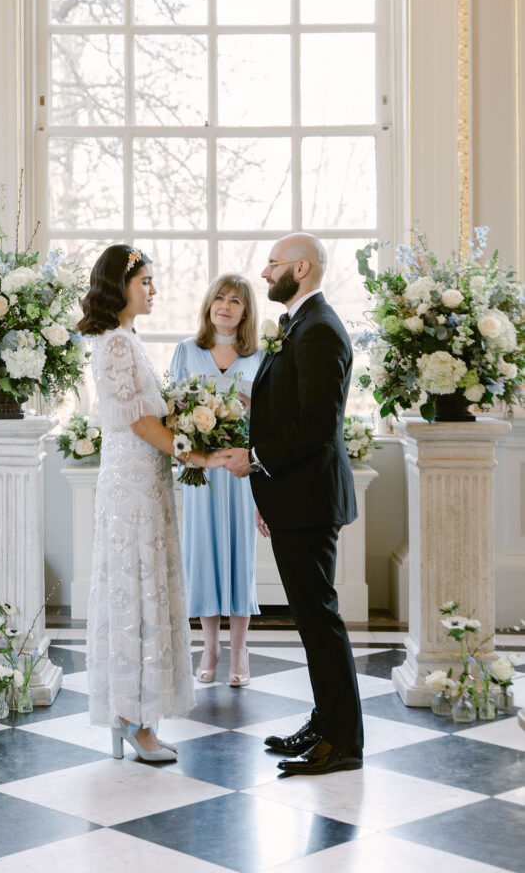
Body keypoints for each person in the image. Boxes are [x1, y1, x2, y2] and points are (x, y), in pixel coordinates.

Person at [222, 233, 363, 775]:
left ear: (301, 268)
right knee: (311, 620)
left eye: (273, 264)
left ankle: (343, 741)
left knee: (319, 620)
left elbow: (318, 426)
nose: (264, 273)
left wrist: (255, 459)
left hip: (309, 500)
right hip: (294, 497)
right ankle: (326, 722)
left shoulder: (320, 330)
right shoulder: (301, 326)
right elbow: (293, 410)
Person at [78, 244, 226, 763]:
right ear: (121, 286)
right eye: (146, 281)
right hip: (132, 488)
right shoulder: (116, 344)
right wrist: (198, 455)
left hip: (143, 480)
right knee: (135, 591)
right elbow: (142, 423)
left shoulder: (125, 339)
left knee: (143, 588)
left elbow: (150, 415)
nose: (153, 290)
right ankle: (135, 721)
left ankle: (134, 717)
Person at [170, 274, 264, 687]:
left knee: (241, 559)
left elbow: (269, 422)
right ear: (209, 304)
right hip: (202, 473)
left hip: (243, 473)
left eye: (236, 301)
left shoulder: (260, 357)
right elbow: (171, 412)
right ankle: (209, 647)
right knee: (203, 557)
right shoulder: (187, 351)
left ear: (246, 312)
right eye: (220, 298)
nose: (226, 306)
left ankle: (240, 650)